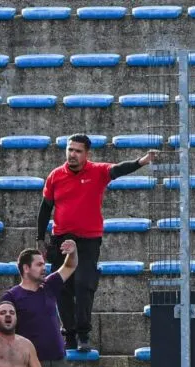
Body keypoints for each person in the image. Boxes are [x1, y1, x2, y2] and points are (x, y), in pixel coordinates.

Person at [38, 137, 158, 351]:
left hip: (88, 240)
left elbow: (118, 169)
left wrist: (142, 161)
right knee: (62, 287)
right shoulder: (55, 175)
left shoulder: (97, 171)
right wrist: (40, 238)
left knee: (83, 284)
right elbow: (45, 208)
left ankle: (83, 334)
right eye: (70, 150)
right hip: (61, 239)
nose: (72, 154)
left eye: (78, 151)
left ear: (87, 154)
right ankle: (69, 335)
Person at [1, 243, 77, 367]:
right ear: (26, 268)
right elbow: (4, 333)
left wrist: (73, 251)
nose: (44, 268)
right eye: (39, 265)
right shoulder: (11, 297)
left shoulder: (49, 285)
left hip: (60, 361)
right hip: (30, 365)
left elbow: (70, 266)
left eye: (44, 264)